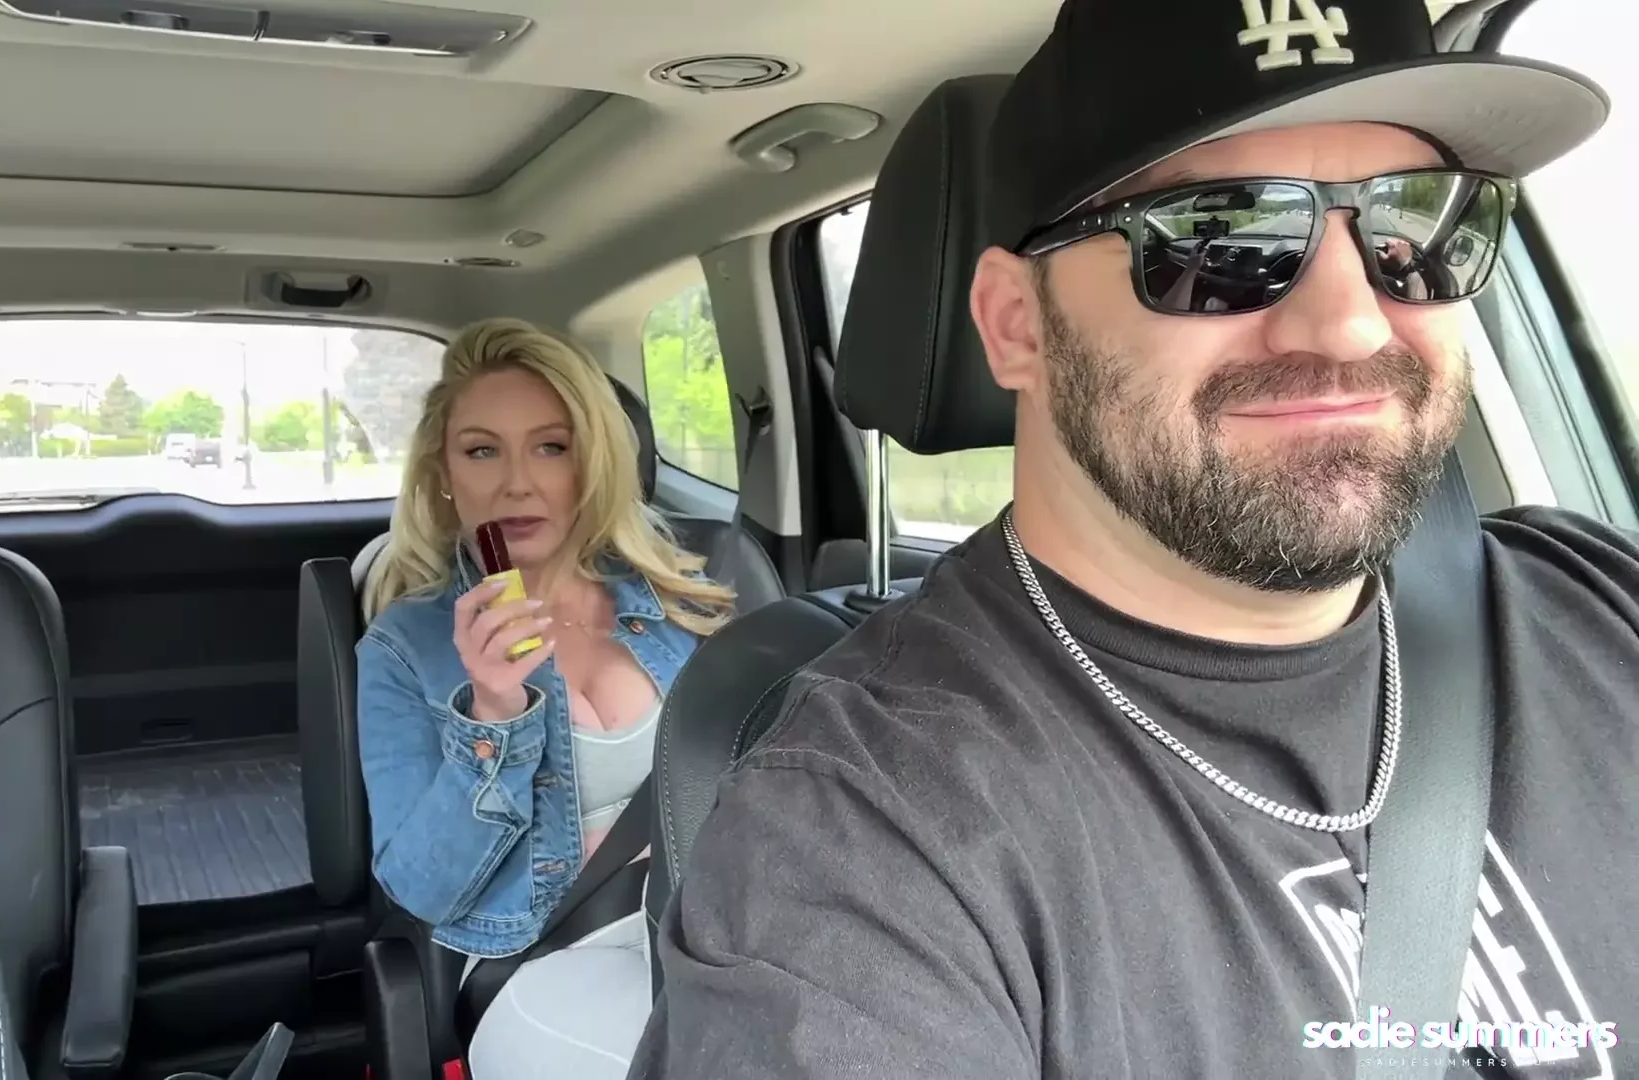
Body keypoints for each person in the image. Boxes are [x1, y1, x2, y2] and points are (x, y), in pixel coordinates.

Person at [630, 2, 1637, 1078]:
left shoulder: (1602, 598)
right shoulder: (857, 844)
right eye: (1225, 237)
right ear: (1016, 324)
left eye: (1417, 227)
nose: (1351, 325)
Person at [357, 317, 734, 1078]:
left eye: (551, 447)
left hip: (706, 924)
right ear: (443, 472)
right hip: (535, 956)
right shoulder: (405, 646)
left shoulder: (678, 601)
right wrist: (493, 717)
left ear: (591, 462)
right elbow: (421, 890)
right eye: (482, 450)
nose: (517, 483)